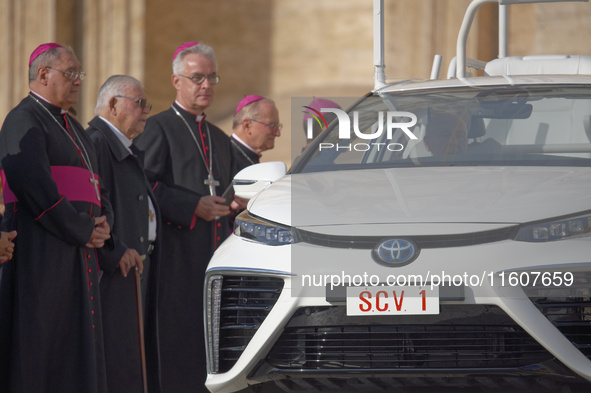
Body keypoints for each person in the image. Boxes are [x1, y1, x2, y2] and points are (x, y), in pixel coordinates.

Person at [0, 43, 111, 393]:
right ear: (44, 74)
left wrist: (103, 223)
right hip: (43, 252)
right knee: (44, 345)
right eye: (71, 73)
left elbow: (96, 186)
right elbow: (35, 188)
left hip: (77, 252)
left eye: (81, 74)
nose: (79, 81)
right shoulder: (22, 119)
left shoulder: (74, 127)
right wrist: (82, 229)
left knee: (76, 345)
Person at [133, 41, 240, 393]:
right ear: (176, 81)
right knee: (179, 345)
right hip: (175, 262)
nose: (206, 85)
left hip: (215, 260)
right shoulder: (158, 127)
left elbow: (226, 186)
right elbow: (142, 186)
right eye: (197, 77)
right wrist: (192, 205)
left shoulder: (220, 137)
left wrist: (234, 202)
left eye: (212, 78)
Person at [86, 75, 161, 393]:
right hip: (113, 270)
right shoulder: (97, 141)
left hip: (132, 268)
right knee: (117, 359)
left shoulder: (123, 144)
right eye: (140, 103)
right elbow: (95, 207)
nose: (146, 110)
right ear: (114, 104)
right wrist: (115, 250)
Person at [231, 95, 281, 171]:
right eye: (272, 125)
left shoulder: (249, 158)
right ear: (247, 125)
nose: (278, 133)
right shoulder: (225, 158)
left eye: (278, 126)